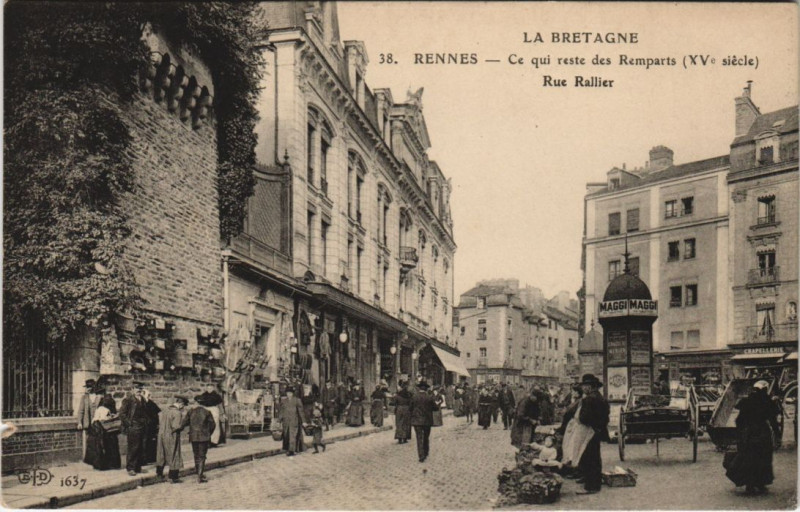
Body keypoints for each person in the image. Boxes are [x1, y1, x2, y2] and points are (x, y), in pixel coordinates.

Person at [725, 380, 781, 494]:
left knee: (749, 458)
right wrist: (777, 436)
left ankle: (749, 484)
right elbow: (773, 421)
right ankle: (760, 483)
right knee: (764, 458)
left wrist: (741, 433)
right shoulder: (767, 401)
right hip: (763, 433)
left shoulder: (747, 401)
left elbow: (739, 420)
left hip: (749, 434)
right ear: (765, 389)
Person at [576, 374, 610, 495]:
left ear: (589, 387)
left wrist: (580, 418)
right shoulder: (601, 398)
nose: (583, 388)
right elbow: (606, 416)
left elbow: (584, 418)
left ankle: (591, 486)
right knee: (595, 457)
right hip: (598, 430)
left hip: (589, 431)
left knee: (589, 457)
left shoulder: (588, 399)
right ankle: (593, 482)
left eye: (584, 386)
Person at [181, 395, 216, 483]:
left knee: (196, 455)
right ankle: (200, 476)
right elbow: (213, 425)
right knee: (202, 456)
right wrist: (208, 433)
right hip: (204, 437)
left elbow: (184, 423)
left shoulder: (191, 411)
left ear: (196, 402)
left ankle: (198, 473)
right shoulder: (207, 412)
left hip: (193, 437)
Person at [119, 381, 149, 476]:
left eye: (140, 389)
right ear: (132, 389)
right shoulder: (128, 400)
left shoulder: (143, 399)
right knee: (133, 448)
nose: (138, 390)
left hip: (142, 426)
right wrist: (129, 424)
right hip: (133, 426)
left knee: (141, 447)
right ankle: (130, 468)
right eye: (136, 388)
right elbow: (122, 414)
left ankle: (138, 467)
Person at [156, 396, 187, 483]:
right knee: (174, 454)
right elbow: (175, 426)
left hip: (161, 434)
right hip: (171, 435)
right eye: (183, 406)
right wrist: (183, 426)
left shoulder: (166, 410)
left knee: (161, 454)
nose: (183, 408)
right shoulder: (177, 413)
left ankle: (159, 474)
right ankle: (173, 477)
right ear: (181, 404)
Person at [87, 394, 121, 471]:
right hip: (106, 430)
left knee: (105, 447)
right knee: (109, 447)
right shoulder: (105, 409)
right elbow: (102, 419)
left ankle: (106, 464)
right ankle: (112, 464)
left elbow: (95, 419)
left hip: (104, 430)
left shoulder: (100, 408)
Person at [409, 379, 435, 462]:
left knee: (419, 437)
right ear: (426, 389)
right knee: (426, 437)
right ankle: (426, 452)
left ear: (419, 388)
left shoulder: (414, 397)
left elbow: (410, 408)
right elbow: (435, 408)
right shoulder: (429, 397)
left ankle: (421, 455)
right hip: (427, 420)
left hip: (417, 420)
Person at [278, 386, 307, 456]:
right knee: (286, 436)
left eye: (290, 393)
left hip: (294, 421)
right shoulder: (284, 401)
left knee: (292, 436)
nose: (289, 394)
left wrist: (304, 421)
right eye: (288, 393)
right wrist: (279, 420)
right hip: (286, 421)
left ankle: (291, 451)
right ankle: (288, 449)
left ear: (293, 393)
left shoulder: (297, 400)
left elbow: (301, 411)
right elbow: (282, 411)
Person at [197, 382, 225, 447]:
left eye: (210, 388)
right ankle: (207, 441)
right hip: (206, 410)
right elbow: (200, 403)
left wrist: (222, 413)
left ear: (213, 388)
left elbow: (220, 405)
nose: (209, 389)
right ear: (206, 388)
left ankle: (214, 441)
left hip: (214, 410)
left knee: (215, 425)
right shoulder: (204, 395)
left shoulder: (217, 396)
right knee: (206, 425)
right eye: (208, 388)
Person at [78, 379, 100, 463]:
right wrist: (79, 422)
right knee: (89, 441)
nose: (88, 389)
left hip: (97, 423)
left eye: (89, 387)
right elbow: (81, 411)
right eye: (87, 387)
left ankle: (96, 460)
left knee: (97, 441)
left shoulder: (99, 397)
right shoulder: (84, 398)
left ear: (93, 387)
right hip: (88, 423)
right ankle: (88, 459)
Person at [142, 389, 161, 464]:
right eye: (148, 395)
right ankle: (145, 459)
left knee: (151, 443)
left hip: (151, 426)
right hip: (144, 426)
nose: (148, 396)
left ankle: (151, 458)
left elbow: (157, 412)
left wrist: (156, 424)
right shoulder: (141, 403)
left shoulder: (151, 403)